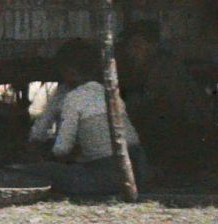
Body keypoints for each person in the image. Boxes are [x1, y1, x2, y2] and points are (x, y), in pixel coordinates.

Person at [35, 40, 148, 197]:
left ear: (69, 71)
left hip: (109, 176)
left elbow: (61, 150)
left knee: (42, 171)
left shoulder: (74, 98)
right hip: (139, 172)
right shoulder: (110, 93)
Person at [117, 22, 209, 180]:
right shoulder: (146, 66)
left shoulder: (163, 66)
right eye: (130, 46)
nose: (131, 51)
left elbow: (145, 100)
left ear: (152, 46)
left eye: (137, 45)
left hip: (186, 127)